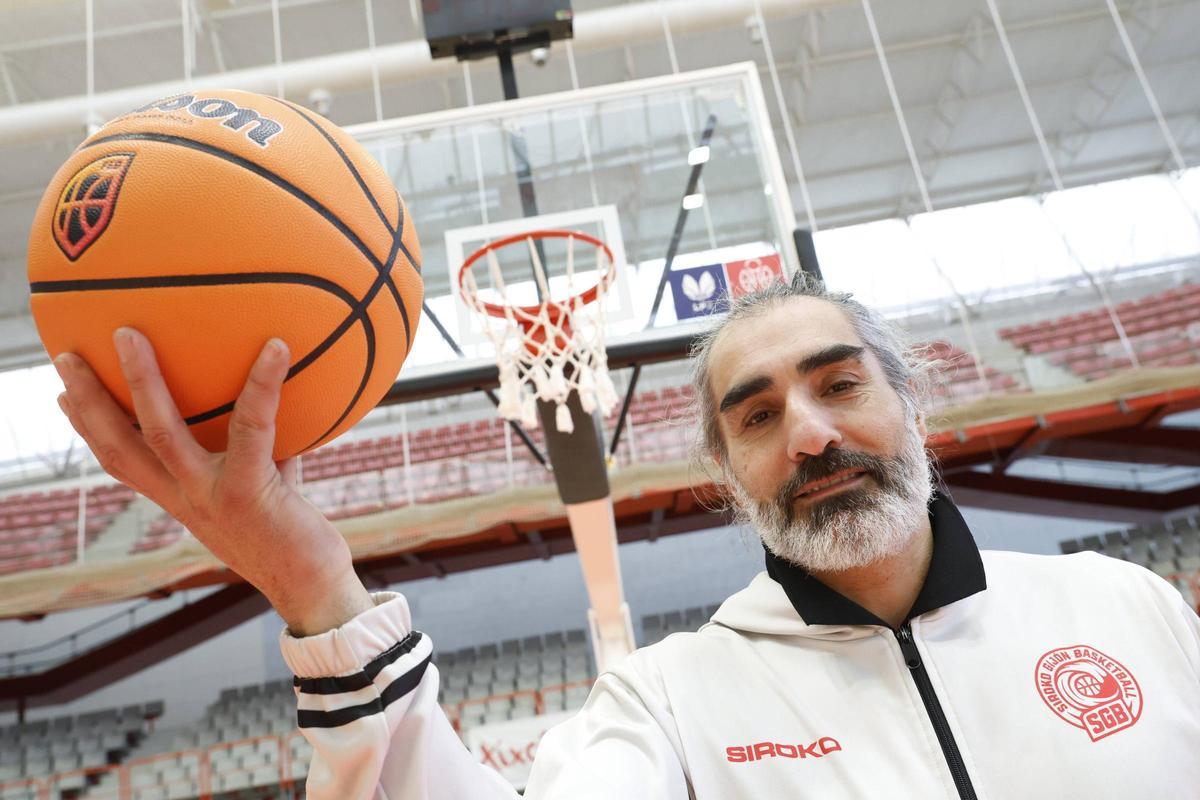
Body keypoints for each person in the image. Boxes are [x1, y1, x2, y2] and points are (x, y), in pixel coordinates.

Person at [53, 271, 1200, 799]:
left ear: (910, 403)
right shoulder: (671, 702)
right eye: (756, 414)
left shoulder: (1120, 606)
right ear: (727, 472)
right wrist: (315, 585)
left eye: (838, 383)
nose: (807, 432)